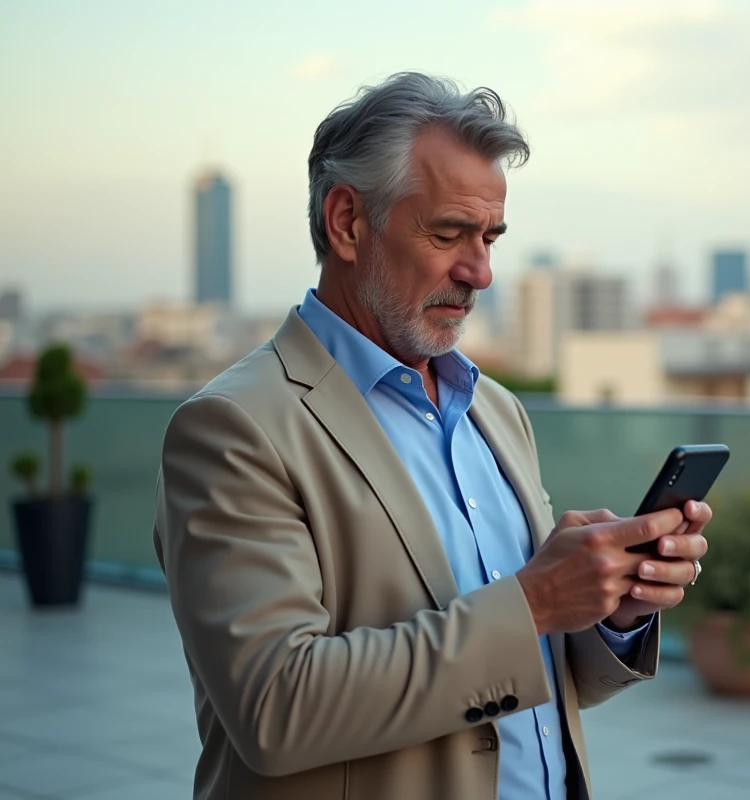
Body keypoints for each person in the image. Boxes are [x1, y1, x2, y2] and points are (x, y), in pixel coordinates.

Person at [152, 71, 711, 800]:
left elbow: (525, 673)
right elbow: (274, 709)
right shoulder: (234, 428)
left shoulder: (496, 411)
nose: (480, 271)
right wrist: (536, 601)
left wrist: (611, 609)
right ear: (347, 222)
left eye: (490, 238)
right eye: (448, 234)